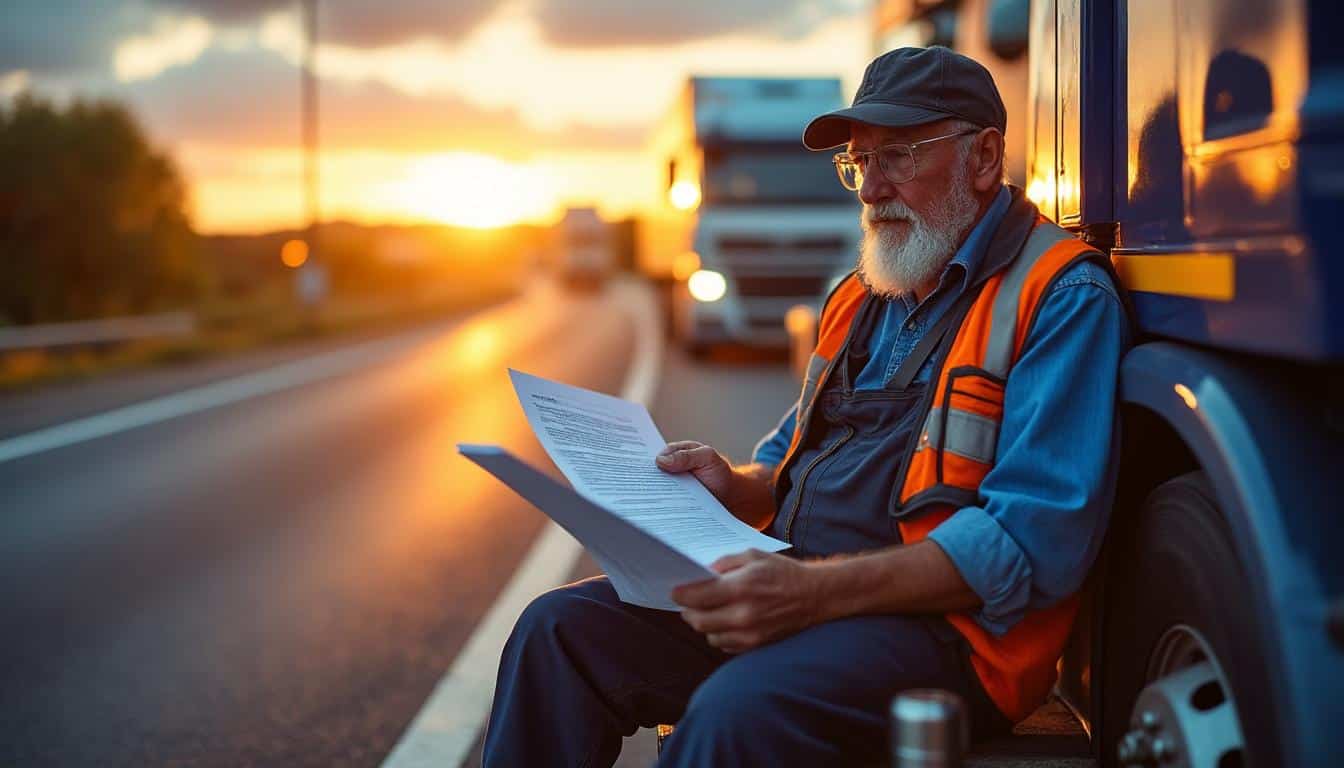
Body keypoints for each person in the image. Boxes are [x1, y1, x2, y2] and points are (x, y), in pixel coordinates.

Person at [482, 46, 1130, 767]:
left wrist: (810, 592)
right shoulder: (861, 295)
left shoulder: (1061, 296)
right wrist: (733, 484)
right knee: (557, 631)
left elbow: (1031, 546)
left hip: (946, 639)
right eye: (858, 163)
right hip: (800, 592)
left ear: (982, 158)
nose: (869, 188)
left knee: (734, 714)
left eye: (898, 156)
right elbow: (787, 459)